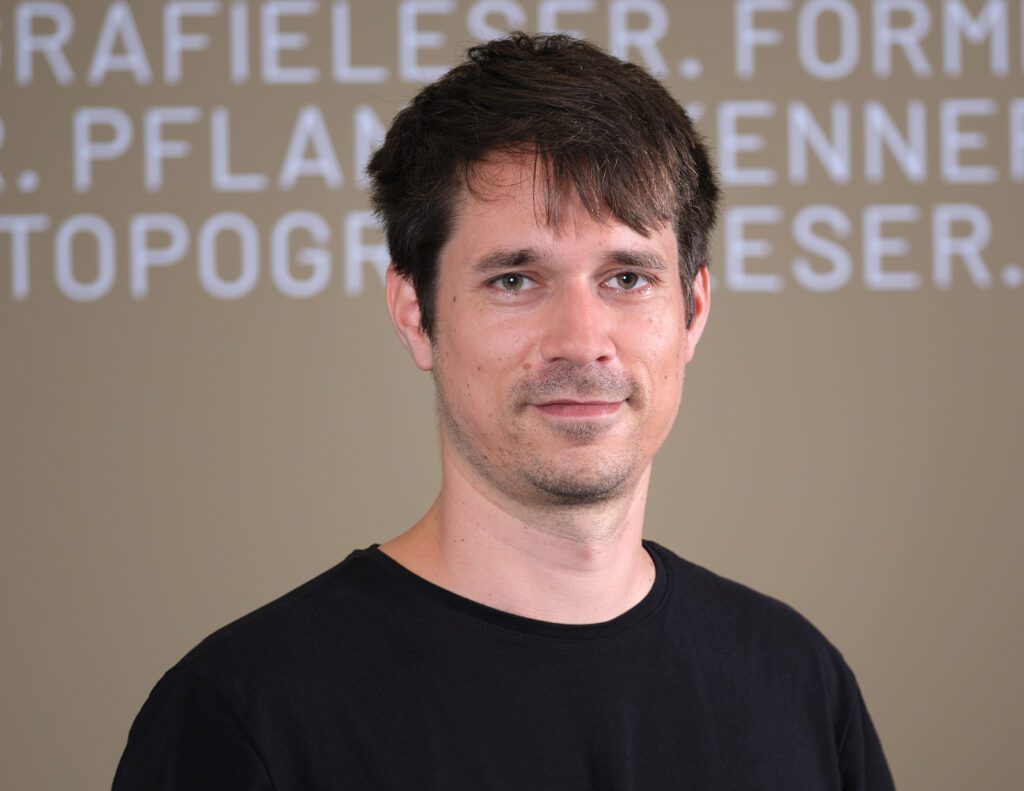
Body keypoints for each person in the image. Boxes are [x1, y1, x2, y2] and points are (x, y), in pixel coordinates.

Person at [113, 33, 895, 790]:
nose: (581, 341)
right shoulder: (245, 716)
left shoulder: (799, 684)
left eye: (627, 278)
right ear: (416, 314)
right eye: (515, 280)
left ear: (692, 312)